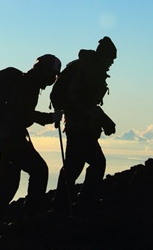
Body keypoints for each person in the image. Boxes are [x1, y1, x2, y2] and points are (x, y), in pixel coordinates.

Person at [0, 54, 62, 238]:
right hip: (13, 138)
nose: (52, 79)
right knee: (38, 170)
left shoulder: (26, 82)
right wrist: (50, 118)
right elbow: (25, 114)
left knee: (8, 181)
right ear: (43, 69)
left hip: (7, 136)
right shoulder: (28, 85)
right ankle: (31, 215)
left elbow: (21, 113)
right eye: (52, 74)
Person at [52, 37, 117, 213]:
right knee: (96, 163)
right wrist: (100, 117)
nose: (111, 63)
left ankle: (63, 204)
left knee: (74, 165)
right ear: (104, 56)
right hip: (80, 125)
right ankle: (84, 202)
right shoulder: (88, 70)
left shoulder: (86, 67)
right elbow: (77, 99)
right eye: (111, 59)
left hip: (78, 125)